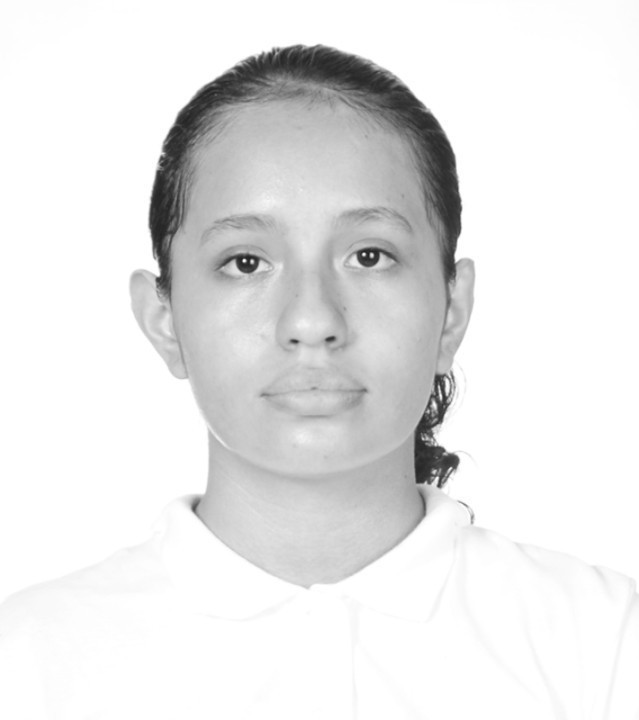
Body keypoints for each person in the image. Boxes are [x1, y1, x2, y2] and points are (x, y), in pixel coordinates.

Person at [0, 44, 637, 719]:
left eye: (370, 255)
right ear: (164, 321)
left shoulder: (606, 646)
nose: (311, 321)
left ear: (451, 310)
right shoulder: (28, 662)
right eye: (246, 262)